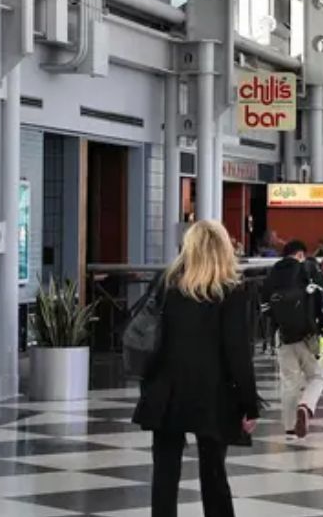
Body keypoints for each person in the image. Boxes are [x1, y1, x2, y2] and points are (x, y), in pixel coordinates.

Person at [133, 220, 261, 517]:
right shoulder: (229, 291)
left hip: (166, 388)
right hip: (212, 391)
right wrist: (249, 404)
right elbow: (237, 352)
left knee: (165, 472)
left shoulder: (167, 283)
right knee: (214, 472)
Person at [261, 240, 323, 438]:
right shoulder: (307, 270)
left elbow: (265, 308)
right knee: (317, 376)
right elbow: (322, 299)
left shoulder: (272, 273)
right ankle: (306, 406)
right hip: (309, 334)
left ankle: (289, 426)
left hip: (283, 335)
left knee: (289, 380)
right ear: (300, 254)